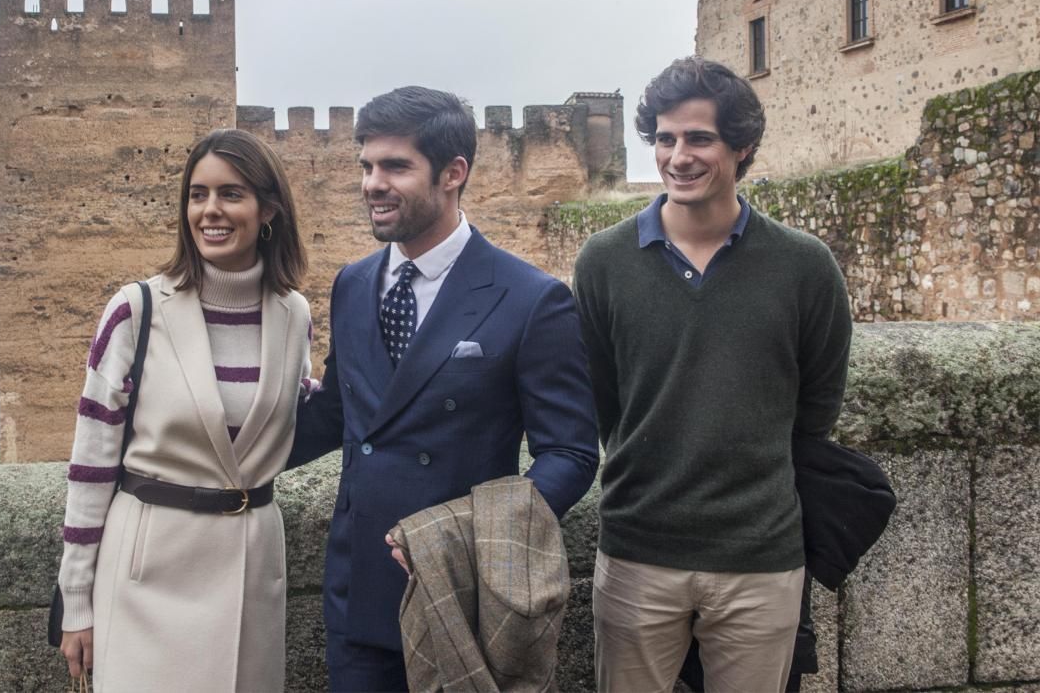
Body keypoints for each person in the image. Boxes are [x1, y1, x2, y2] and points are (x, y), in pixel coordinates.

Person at [288, 85, 600, 691]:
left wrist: (465, 536)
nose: (373, 183)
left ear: (453, 173)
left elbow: (570, 454)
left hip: (462, 596)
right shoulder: (353, 283)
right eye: (367, 166)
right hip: (358, 592)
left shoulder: (531, 298)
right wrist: (212, 451)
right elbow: (338, 413)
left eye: (396, 166)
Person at [573, 56, 853, 692]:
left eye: (699, 138)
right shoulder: (604, 261)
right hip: (637, 548)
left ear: (742, 146)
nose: (678, 157)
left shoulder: (805, 267)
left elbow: (815, 410)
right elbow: (605, 400)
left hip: (759, 555)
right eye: (665, 139)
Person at [56, 129, 311, 692]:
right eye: (198, 195)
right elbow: (92, 462)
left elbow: (291, 417)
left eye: (230, 194)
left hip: (251, 570)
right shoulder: (135, 310)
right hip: (149, 574)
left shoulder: (295, 315)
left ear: (268, 209)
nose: (210, 211)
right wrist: (77, 599)